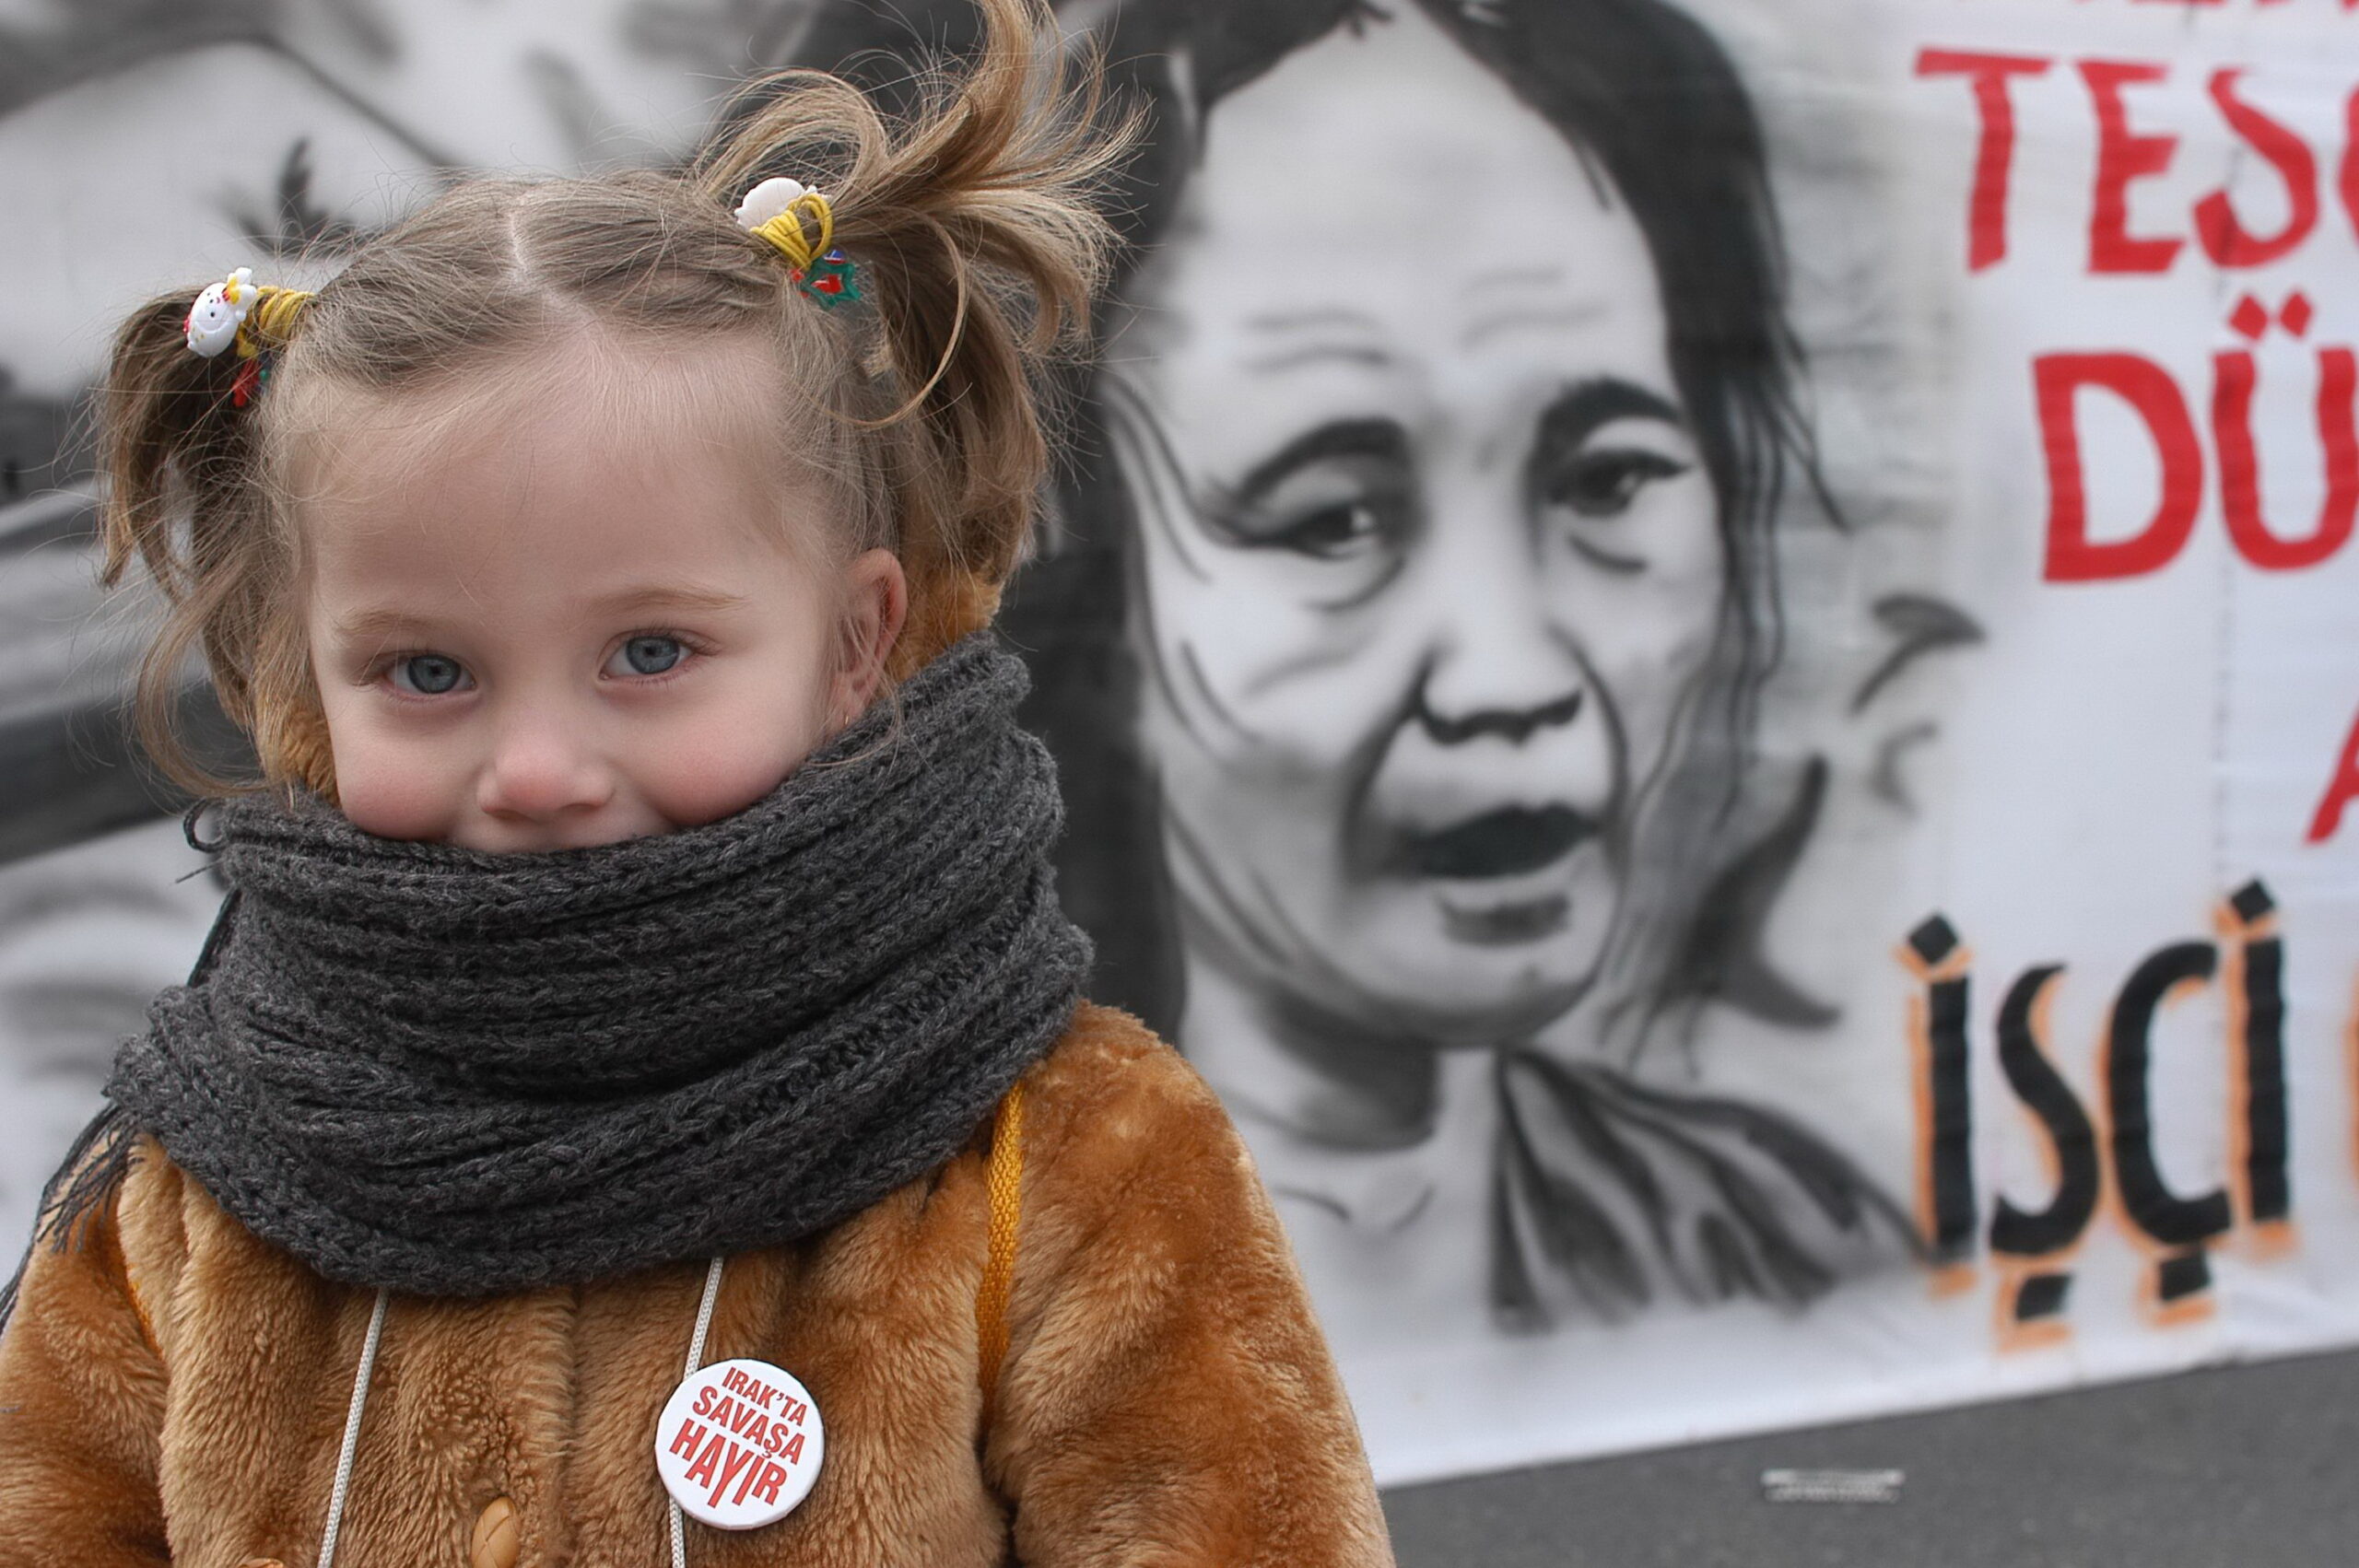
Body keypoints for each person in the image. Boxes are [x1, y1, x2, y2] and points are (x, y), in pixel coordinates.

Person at [0, 1, 1393, 1562]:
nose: (536, 770)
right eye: (428, 672)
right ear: (298, 670)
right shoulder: (197, 1187)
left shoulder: (1068, 1156)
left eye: (650, 651)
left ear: (853, 640)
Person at [801, 0, 1932, 1342]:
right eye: (1332, 517)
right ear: (1070, 568)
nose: (1506, 675)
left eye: (1608, 478)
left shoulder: (1775, 1252)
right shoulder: (887, 1331)